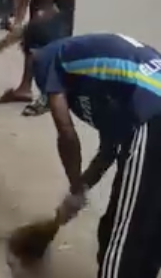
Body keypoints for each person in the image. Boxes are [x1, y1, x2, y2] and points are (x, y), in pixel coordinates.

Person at [22, 21, 161, 278]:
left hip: (154, 117)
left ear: (31, 53)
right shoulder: (94, 74)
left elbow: (65, 132)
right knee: (148, 227)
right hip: (150, 116)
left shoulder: (51, 57)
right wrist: (81, 188)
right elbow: (111, 147)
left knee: (123, 239)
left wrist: (75, 187)